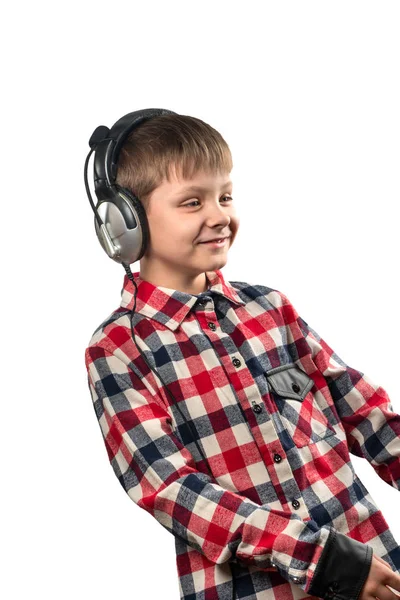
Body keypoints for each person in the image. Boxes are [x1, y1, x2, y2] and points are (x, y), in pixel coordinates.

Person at [84, 110, 400, 600]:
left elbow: (363, 411)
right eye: (192, 202)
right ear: (125, 222)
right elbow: (169, 488)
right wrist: (321, 558)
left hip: (373, 568)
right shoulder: (119, 350)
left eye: (225, 196)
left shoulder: (270, 308)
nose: (219, 216)